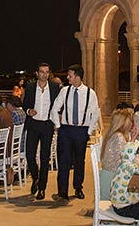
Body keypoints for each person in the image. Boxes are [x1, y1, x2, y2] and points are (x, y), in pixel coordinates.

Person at [49, 64, 100, 202]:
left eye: (70, 75)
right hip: (66, 130)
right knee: (64, 161)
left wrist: (88, 131)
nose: (67, 77)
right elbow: (54, 109)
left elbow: (95, 113)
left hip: (81, 131)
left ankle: (78, 187)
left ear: (77, 77)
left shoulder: (90, 93)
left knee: (79, 161)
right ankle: (62, 192)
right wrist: (59, 126)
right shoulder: (65, 91)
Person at [23, 62, 60, 199]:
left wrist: (57, 121)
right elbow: (25, 104)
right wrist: (28, 111)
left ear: (49, 73)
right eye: (42, 72)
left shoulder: (55, 87)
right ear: (37, 73)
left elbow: (58, 105)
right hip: (33, 124)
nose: (44, 74)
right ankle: (35, 177)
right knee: (29, 155)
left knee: (45, 158)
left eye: (46, 72)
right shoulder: (30, 87)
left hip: (47, 125)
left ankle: (42, 189)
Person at [100, 108, 139, 200]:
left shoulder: (115, 134)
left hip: (111, 175)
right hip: (112, 180)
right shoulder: (118, 137)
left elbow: (127, 154)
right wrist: (134, 137)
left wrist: (134, 139)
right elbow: (128, 159)